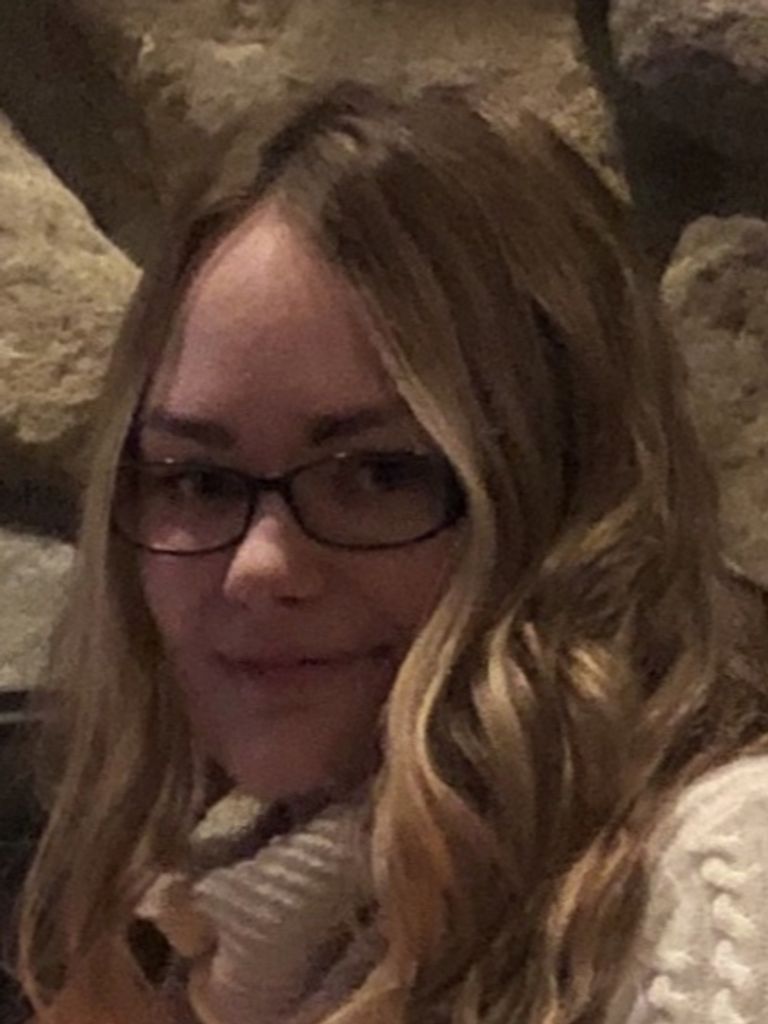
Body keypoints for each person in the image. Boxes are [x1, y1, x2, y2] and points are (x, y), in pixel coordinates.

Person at [14, 80, 768, 1024]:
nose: (258, 566)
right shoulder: (240, 933)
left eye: (375, 475)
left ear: (562, 493)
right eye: (197, 481)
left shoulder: (719, 887)